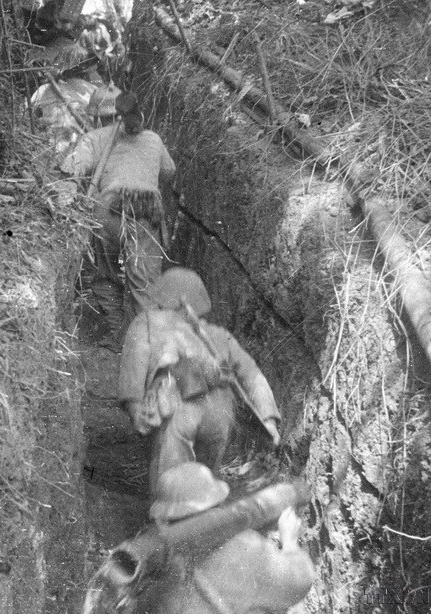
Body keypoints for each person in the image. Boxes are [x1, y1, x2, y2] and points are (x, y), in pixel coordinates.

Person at [118, 267, 282, 492]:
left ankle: (165, 522)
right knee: (204, 481)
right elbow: (251, 374)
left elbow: (133, 371)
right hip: (220, 416)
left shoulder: (144, 324)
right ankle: (202, 516)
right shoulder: (218, 334)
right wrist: (268, 418)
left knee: (169, 482)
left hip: (177, 413)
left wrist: (137, 411)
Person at [61, 91, 176, 333]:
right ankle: (143, 343)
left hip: (108, 209)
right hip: (146, 210)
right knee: (144, 280)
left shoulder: (93, 138)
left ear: (96, 118)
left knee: (107, 272)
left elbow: (71, 167)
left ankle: (114, 332)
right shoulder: (153, 138)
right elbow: (168, 172)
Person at [145, 461, 315, 613]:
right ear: (216, 503)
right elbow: (298, 585)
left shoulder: (152, 551)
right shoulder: (245, 548)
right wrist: (290, 543)